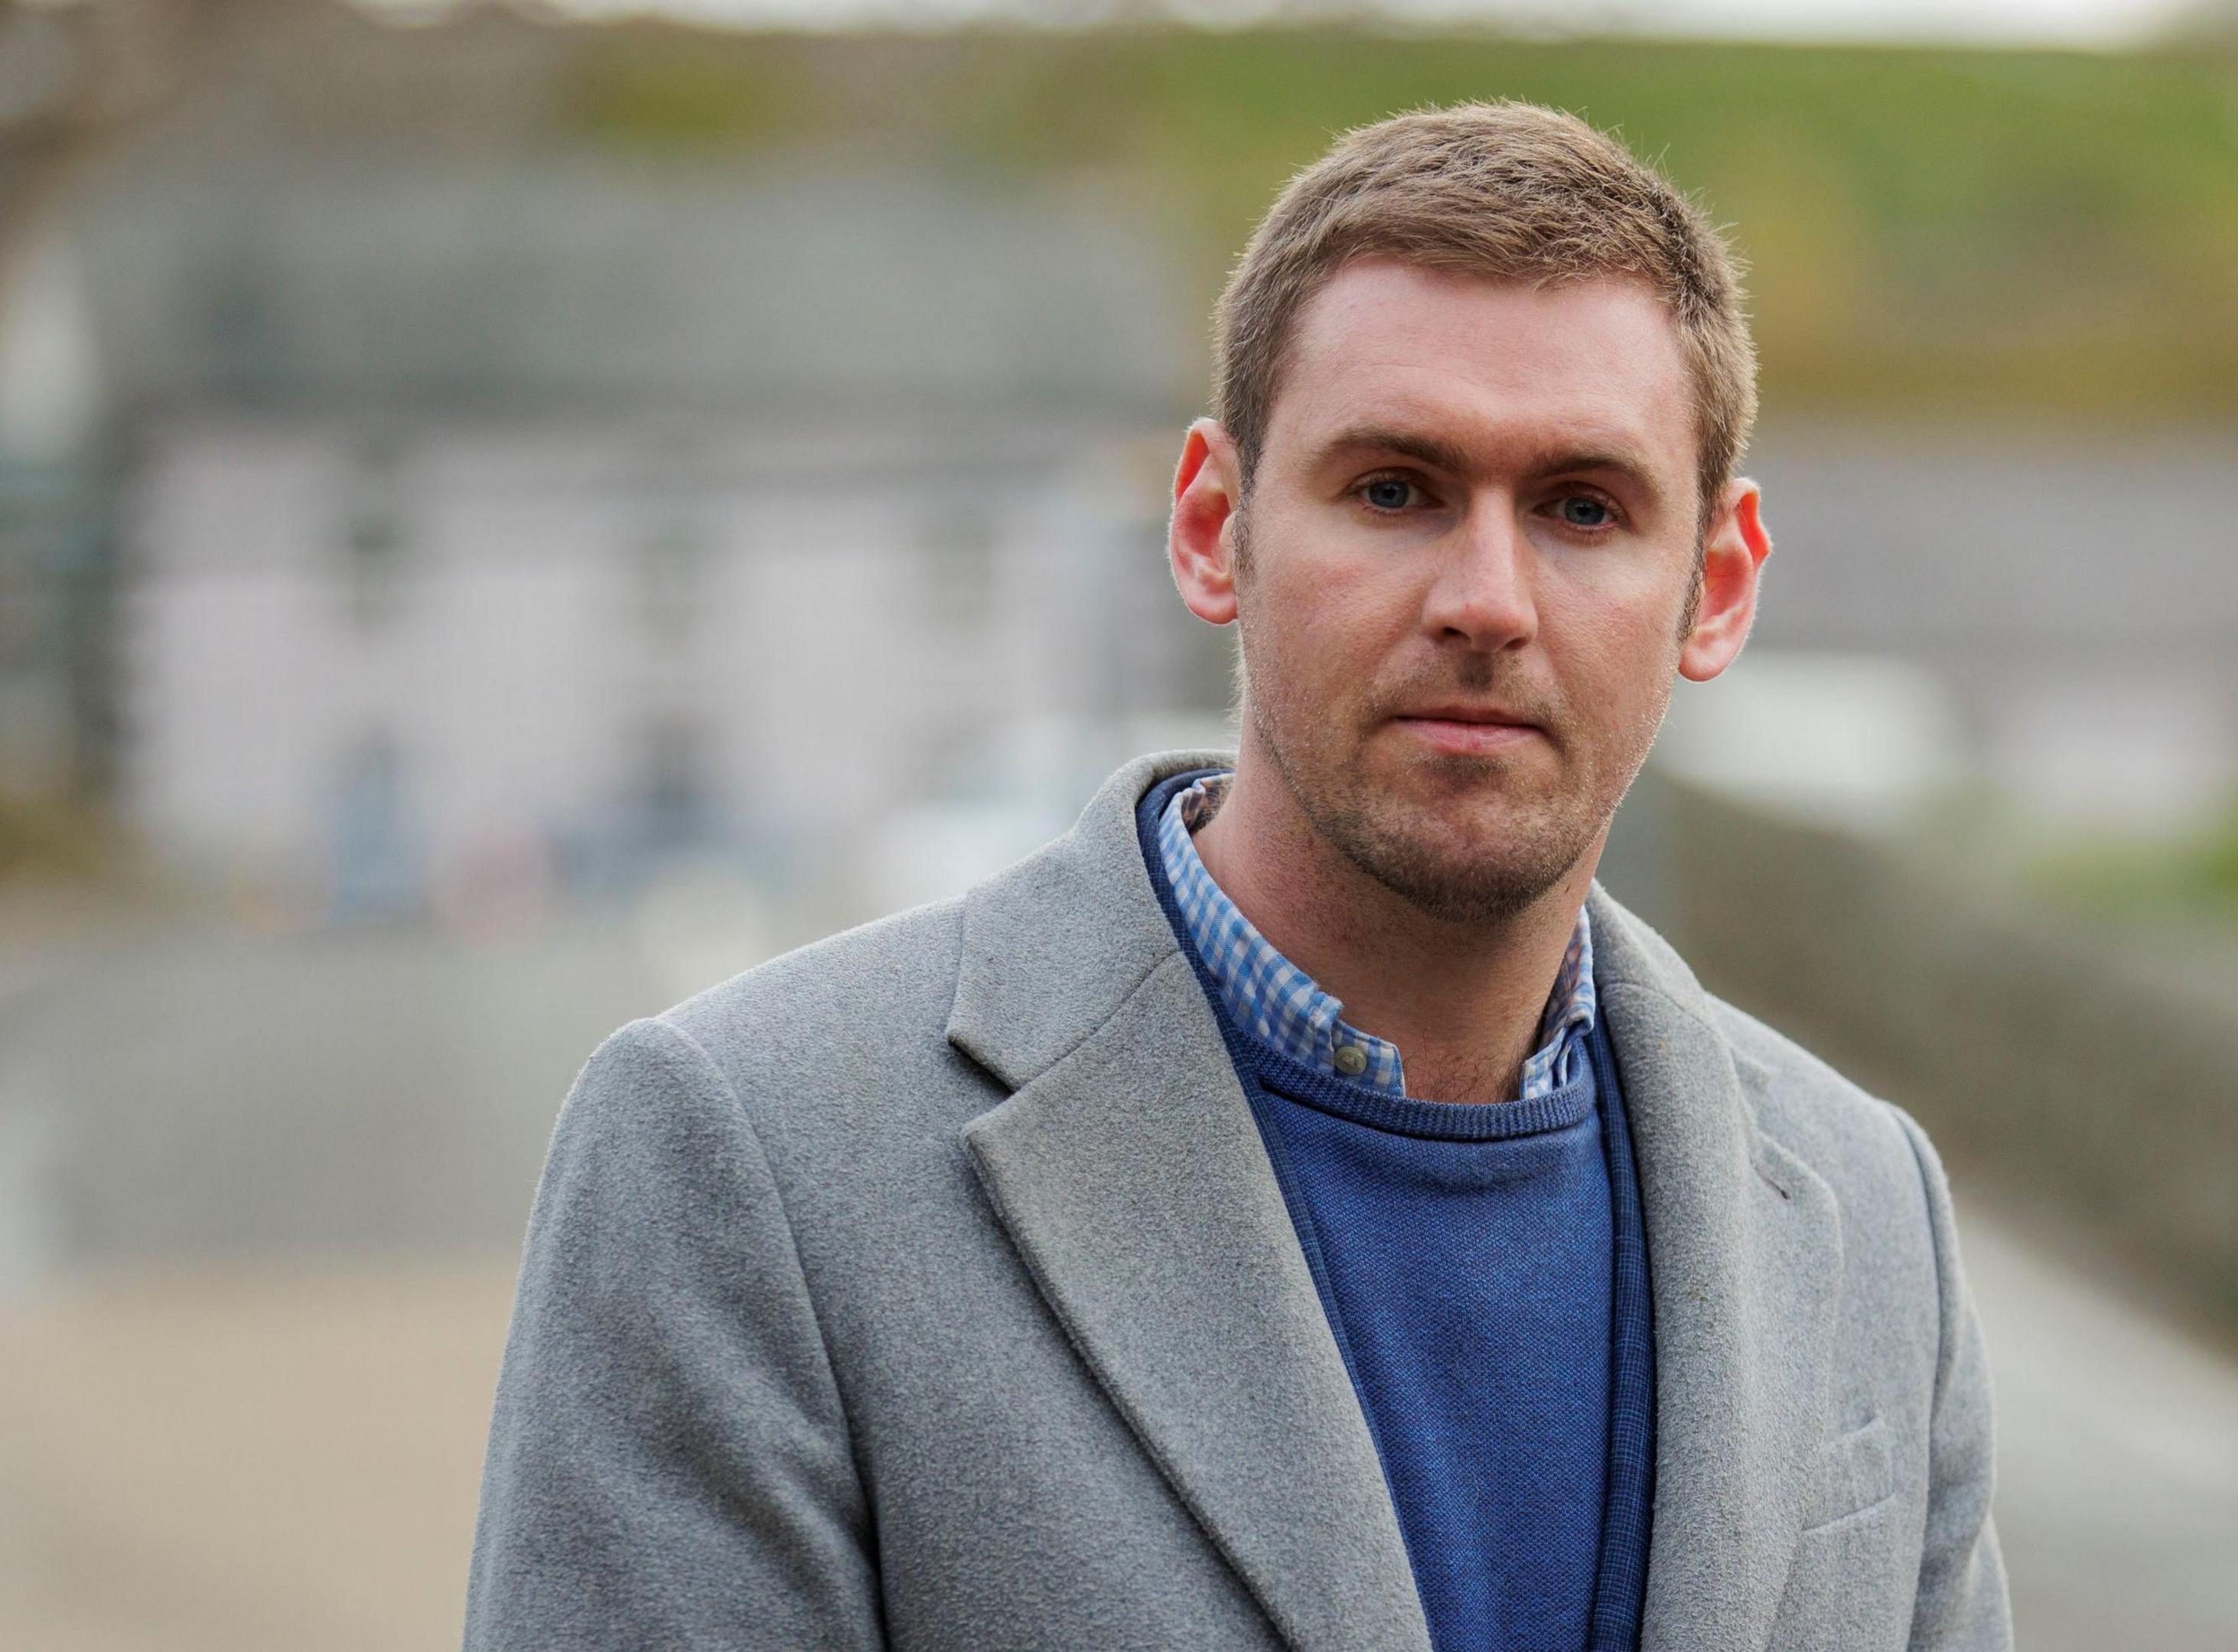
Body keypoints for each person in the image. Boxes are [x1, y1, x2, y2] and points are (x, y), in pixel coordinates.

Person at [466, 100, 2009, 1652]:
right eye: (1395, 489)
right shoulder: (749, 1159)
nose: (1488, 599)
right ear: (1213, 528)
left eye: (1581, 509)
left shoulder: (1872, 1210)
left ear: (1716, 585)